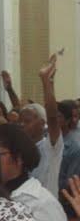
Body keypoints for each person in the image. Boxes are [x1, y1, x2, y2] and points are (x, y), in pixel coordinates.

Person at [21, 55, 64, 197]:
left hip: (46, 207)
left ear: (42, 122)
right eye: (21, 121)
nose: (22, 125)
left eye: (27, 121)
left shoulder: (51, 147)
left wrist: (45, 81)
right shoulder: (20, 148)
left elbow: (52, 116)